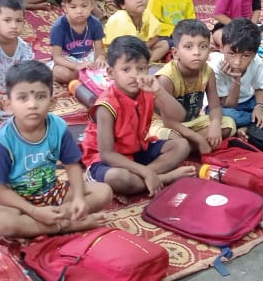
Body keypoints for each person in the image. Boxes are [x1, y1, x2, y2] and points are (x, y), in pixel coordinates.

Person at [0, 61, 112, 238]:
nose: (32, 105)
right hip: (18, 201)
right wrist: (34, 211)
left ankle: (55, 218)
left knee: (104, 191)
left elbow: (72, 166)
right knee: (4, 223)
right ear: (8, 105)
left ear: (52, 102)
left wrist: (78, 198)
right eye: (22, 98)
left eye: (40, 96)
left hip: (51, 191)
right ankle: (66, 224)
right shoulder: (3, 140)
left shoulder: (58, 127)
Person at [81, 36, 196, 196]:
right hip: (106, 160)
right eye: (126, 69)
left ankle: (144, 178)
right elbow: (107, 154)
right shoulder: (105, 106)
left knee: (182, 145)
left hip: (136, 151)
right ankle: (164, 177)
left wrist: (159, 90)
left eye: (141, 69)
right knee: (117, 177)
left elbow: (180, 116)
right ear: (111, 72)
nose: (134, 75)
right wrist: (145, 171)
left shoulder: (146, 91)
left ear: (148, 69)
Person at [150, 20, 237, 154]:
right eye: (189, 47)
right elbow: (169, 122)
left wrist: (214, 126)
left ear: (209, 50)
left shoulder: (208, 72)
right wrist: (199, 139)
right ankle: (192, 145)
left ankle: (185, 148)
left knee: (229, 124)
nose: (197, 52)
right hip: (166, 124)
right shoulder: (166, 78)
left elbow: (215, 107)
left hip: (193, 121)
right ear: (176, 53)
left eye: (203, 46)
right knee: (165, 136)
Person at [207, 18, 263, 128]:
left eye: (245, 56)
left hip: (249, 101)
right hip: (226, 106)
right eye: (231, 54)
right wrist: (236, 79)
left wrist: (259, 107)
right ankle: (256, 119)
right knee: (225, 115)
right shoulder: (216, 69)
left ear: (254, 54)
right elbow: (230, 105)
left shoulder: (256, 61)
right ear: (222, 48)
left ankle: (250, 120)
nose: (237, 62)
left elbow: (260, 88)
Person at [49, 0, 106, 86]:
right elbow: (57, 57)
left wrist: (100, 58)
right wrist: (76, 66)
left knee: (113, 62)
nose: (79, 11)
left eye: (84, 6)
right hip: (67, 61)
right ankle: (89, 76)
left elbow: (99, 49)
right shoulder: (58, 27)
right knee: (60, 73)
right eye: (73, 7)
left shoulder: (95, 23)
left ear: (91, 5)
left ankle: (88, 76)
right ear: (65, 8)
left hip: (88, 58)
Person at [104, 0, 168, 62]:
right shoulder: (120, 19)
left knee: (164, 44)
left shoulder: (146, 13)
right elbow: (126, 48)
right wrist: (144, 48)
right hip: (119, 52)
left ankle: (144, 63)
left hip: (139, 48)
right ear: (122, 4)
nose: (139, 0)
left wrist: (144, 47)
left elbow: (156, 37)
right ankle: (140, 63)